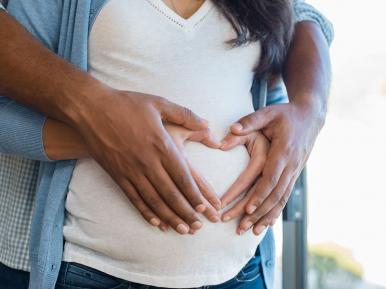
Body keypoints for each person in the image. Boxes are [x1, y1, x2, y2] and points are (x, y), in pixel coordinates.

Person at [0, 0, 333, 289]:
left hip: (243, 272)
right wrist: (105, 136)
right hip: (98, 273)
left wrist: (304, 114)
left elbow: (287, 55)